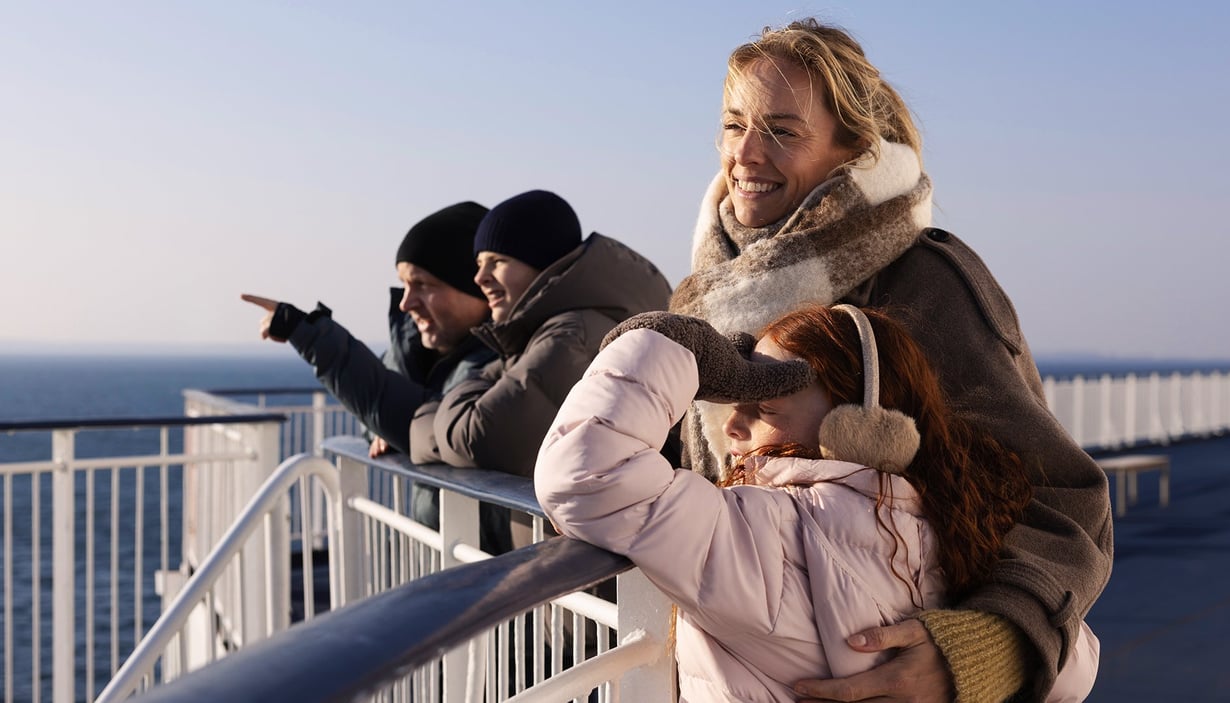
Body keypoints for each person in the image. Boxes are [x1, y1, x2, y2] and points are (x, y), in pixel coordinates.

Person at [666, 18, 1113, 702]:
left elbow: (1063, 496)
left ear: (853, 150)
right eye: (734, 125)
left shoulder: (921, 282)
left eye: (782, 131)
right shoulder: (709, 291)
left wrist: (990, 645)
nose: (745, 154)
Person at [535, 306, 1099, 703]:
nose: (731, 426)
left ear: (856, 426)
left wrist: (670, 344)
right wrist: (971, 660)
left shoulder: (774, 535)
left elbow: (588, 472)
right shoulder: (948, 521)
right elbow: (1077, 661)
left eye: (763, 406)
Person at [240, 202, 512, 552]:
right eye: (404, 284)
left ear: (474, 288)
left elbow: (419, 416)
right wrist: (387, 429)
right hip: (443, 560)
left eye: (422, 284)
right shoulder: (413, 349)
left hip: (493, 568)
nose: (406, 303)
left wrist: (307, 334)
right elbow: (382, 409)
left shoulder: (507, 360)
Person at [409, 189, 673, 479]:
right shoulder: (550, 331)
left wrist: (426, 422)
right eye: (480, 263)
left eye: (497, 261)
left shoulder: (572, 335)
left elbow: (484, 441)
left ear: (543, 263)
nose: (479, 277)